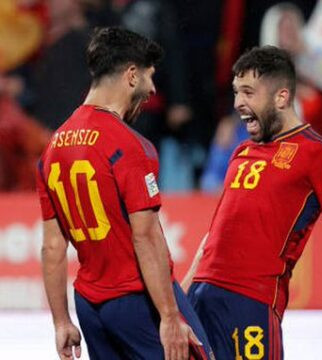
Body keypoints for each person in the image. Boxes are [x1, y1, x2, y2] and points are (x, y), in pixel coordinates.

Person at [182, 46, 322, 360]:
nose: (238, 103)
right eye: (236, 92)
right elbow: (215, 234)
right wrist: (181, 298)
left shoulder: (320, 153)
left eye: (248, 92)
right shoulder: (241, 152)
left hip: (250, 302)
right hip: (201, 298)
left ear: (281, 97)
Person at [36, 27, 214, 360]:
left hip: (90, 306)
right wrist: (170, 317)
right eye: (150, 77)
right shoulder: (130, 146)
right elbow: (145, 237)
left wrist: (61, 321)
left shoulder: (52, 148)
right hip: (138, 300)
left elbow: (52, 246)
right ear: (131, 75)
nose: (153, 89)